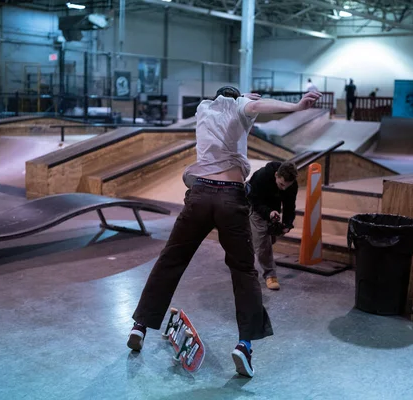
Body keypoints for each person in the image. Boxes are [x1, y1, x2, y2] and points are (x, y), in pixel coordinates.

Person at [127, 85, 322, 378]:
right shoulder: (240, 106)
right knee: (243, 271)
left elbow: (232, 105)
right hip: (230, 198)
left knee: (170, 260)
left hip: (200, 194)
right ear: (238, 99)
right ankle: (244, 345)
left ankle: (140, 326)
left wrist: (242, 97)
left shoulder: (203, 109)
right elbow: (251, 107)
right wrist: (296, 106)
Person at [247, 161, 298, 291]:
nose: (284, 188)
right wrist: (268, 212)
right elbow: (253, 199)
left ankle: (242, 256)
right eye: (281, 184)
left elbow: (289, 205)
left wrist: (287, 223)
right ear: (276, 175)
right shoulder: (261, 176)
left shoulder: (291, 185)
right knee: (263, 239)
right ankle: (270, 274)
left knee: (269, 238)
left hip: (273, 209)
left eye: (287, 186)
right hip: (255, 206)